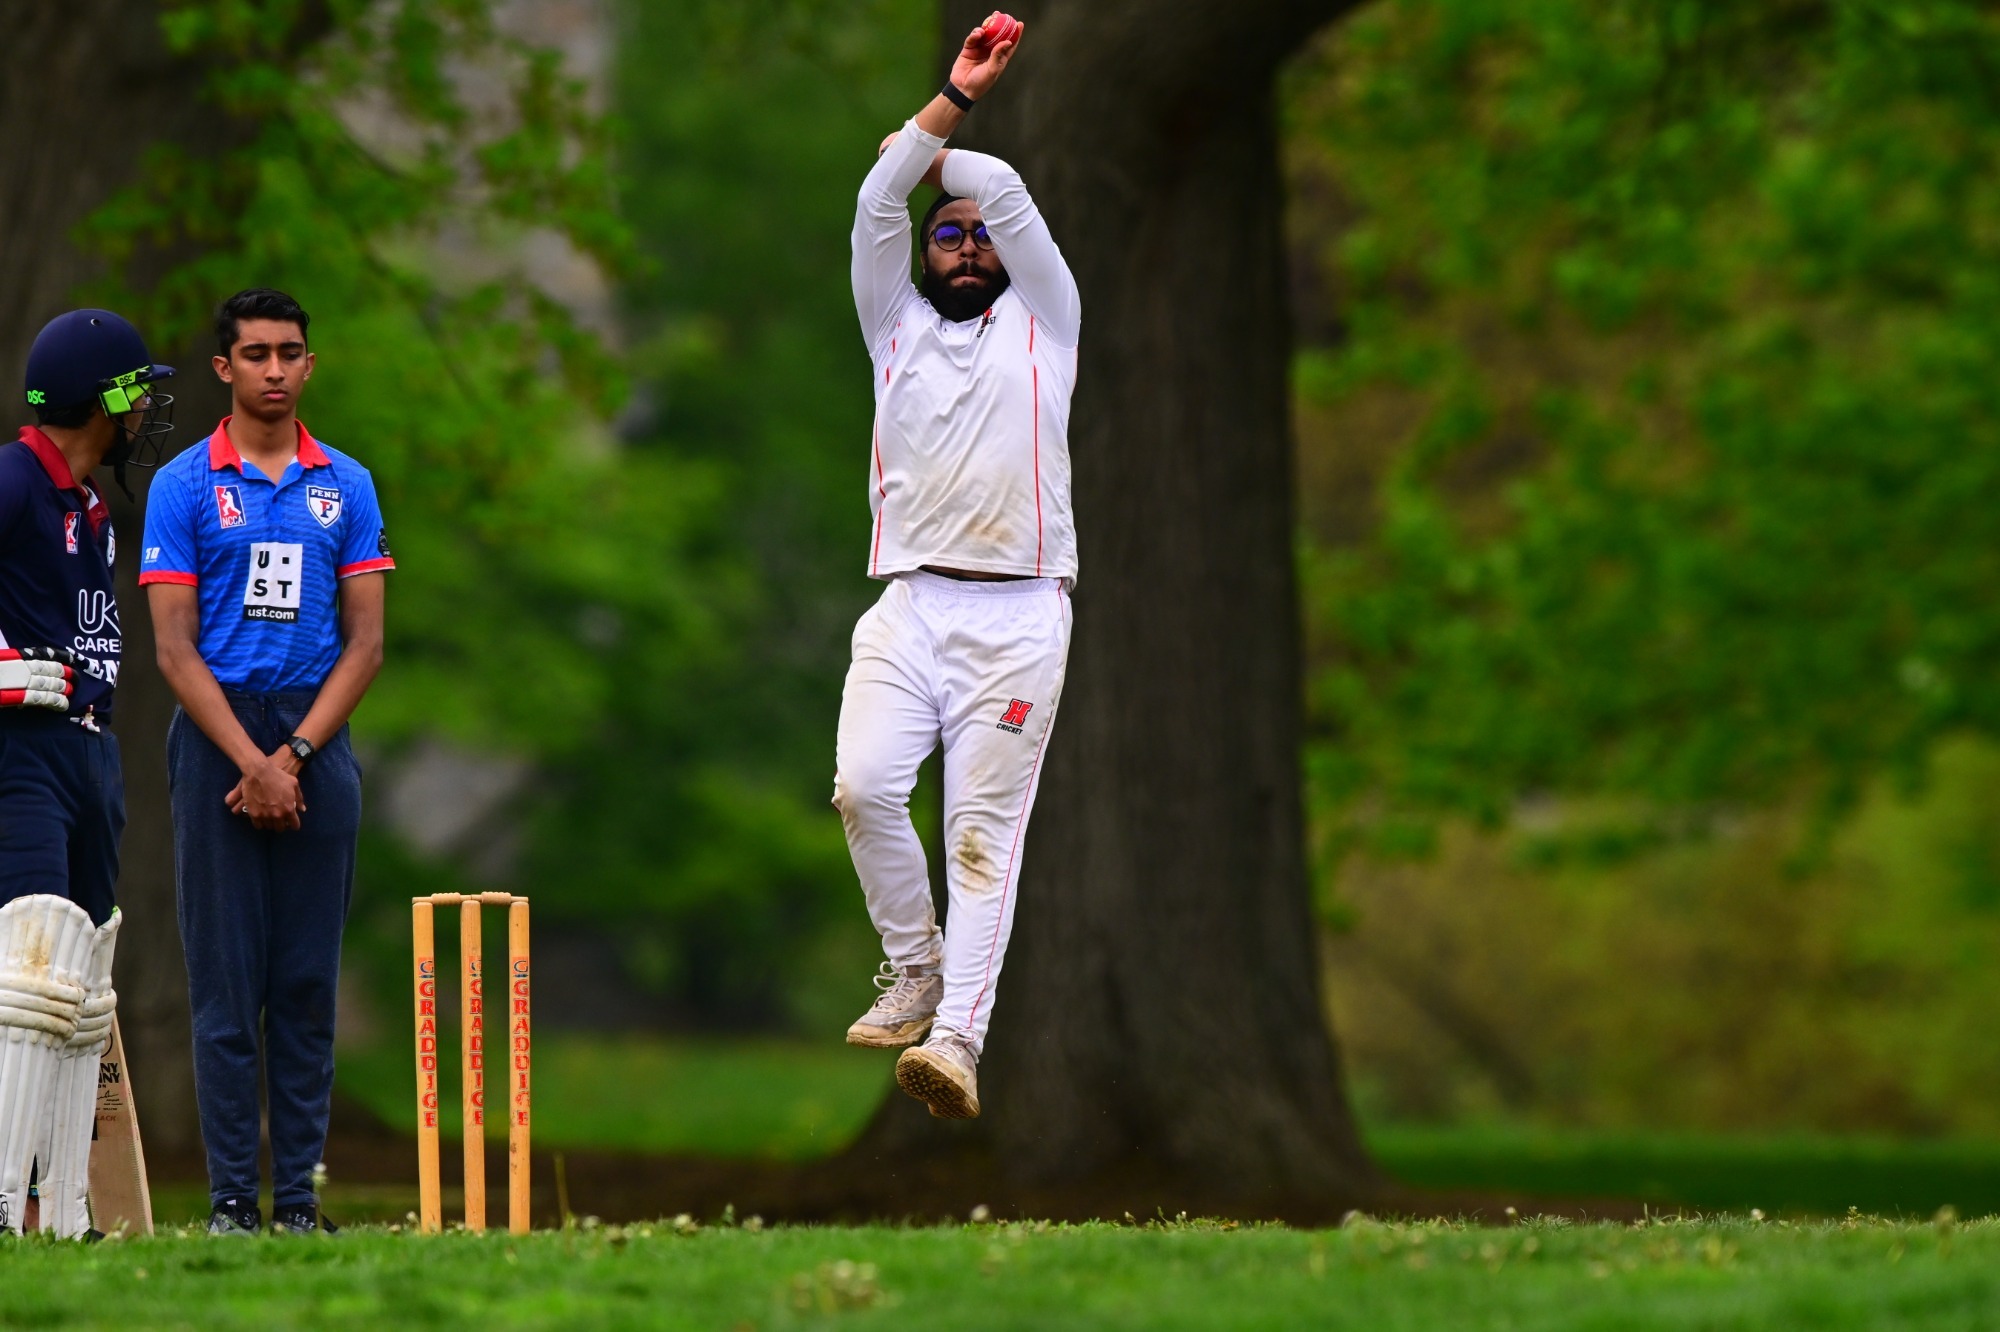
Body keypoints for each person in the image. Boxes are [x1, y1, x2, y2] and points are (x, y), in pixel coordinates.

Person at [835, 18, 1079, 1120]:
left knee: (980, 837)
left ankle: (957, 1043)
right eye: (948, 239)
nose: (968, 248)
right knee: (862, 788)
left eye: (982, 239)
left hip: (1020, 613)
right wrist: (924, 134)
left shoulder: (1048, 324)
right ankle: (915, 964)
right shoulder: (889, 323)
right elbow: (873, 207)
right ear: (922, 258)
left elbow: (995, 182)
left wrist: (941, 120)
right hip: (909, 605)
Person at [140, 288, 392, 1236]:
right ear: (225, 368)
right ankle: (232, 1203)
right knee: (225, 987)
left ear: (310, 365)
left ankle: (299, 1202)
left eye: (291, 353)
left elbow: (365, 644)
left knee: (304, 986)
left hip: (313, 734)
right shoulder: (183, 483)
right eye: (256, 355)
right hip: (218, 742)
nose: (275, 370)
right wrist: (251, 759)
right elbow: (172, 649)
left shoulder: (348, 485)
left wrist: (292, 755)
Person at [0, 308, 175, 1237]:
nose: (146, 410)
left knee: (82, 989)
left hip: (90, 752)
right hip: (19, 753)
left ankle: (66, 1212)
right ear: (104, 400)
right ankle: (3, 1202)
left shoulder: (94, 509)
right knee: (26, 974)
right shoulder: (13, 479)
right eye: (137, 393)